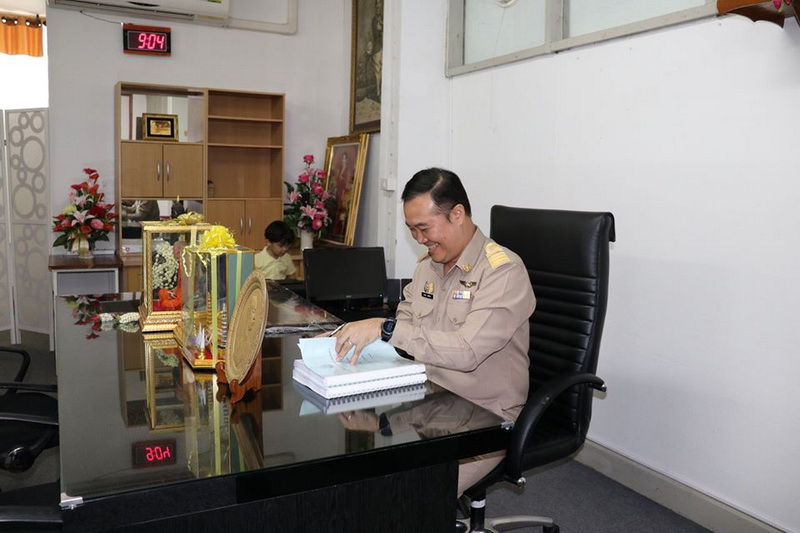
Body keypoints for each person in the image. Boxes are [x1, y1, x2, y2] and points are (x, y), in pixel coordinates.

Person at [330, 167, 536, 496]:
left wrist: (384, 328)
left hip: (484, 417)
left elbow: (466, 352)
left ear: (457, 214)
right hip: (429, 402)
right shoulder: (428, 264)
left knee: (411, 499)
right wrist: (348, 336)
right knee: (358, 475)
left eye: (424, 228)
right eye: (412, 230)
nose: (419, 239)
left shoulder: (502, 272)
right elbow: (407, 321)